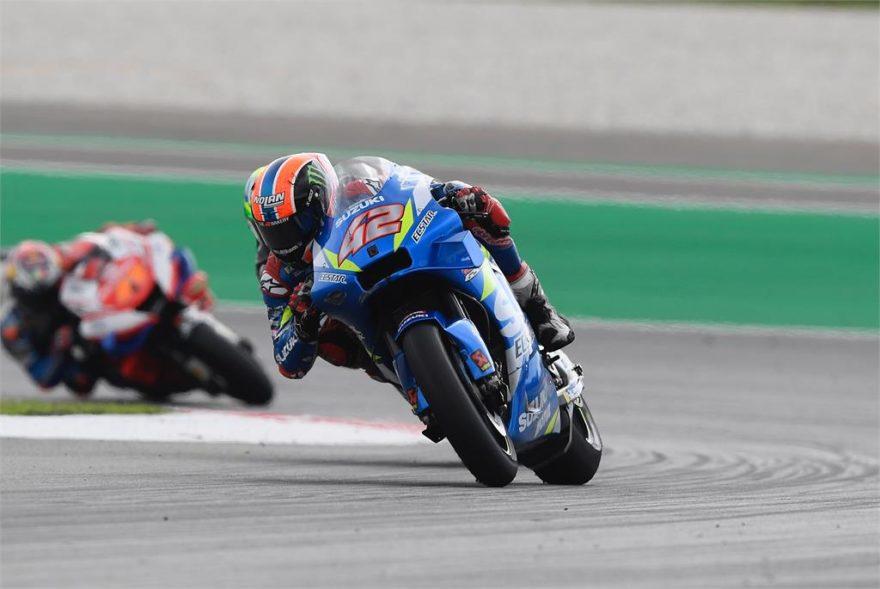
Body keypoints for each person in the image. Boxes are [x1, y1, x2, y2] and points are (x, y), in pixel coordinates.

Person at [244, 154, 574, 382]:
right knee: (333, 342)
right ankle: (415, 379)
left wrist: (449, 193)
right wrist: (303, 325)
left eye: (296, 223)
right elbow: (288, 364)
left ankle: (537, 305)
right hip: (360, 315)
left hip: (395, 252)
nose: (286, 240)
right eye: (275, 232)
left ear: (319, 200)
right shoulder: (276, 277)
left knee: (481, 208)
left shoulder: (356, 185)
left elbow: (408, 184)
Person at [1, 222, 214, 396]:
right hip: (81, 347)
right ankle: (151, 374)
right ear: (21, 289)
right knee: (81, 380)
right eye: (44, 290)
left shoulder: (65, 257)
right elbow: (42, 378)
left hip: (105, 309)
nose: (52, 289)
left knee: (163, 254)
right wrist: (59, 348)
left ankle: (185, 296)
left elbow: (104, 236)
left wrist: (132, 229)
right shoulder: (13, 328)